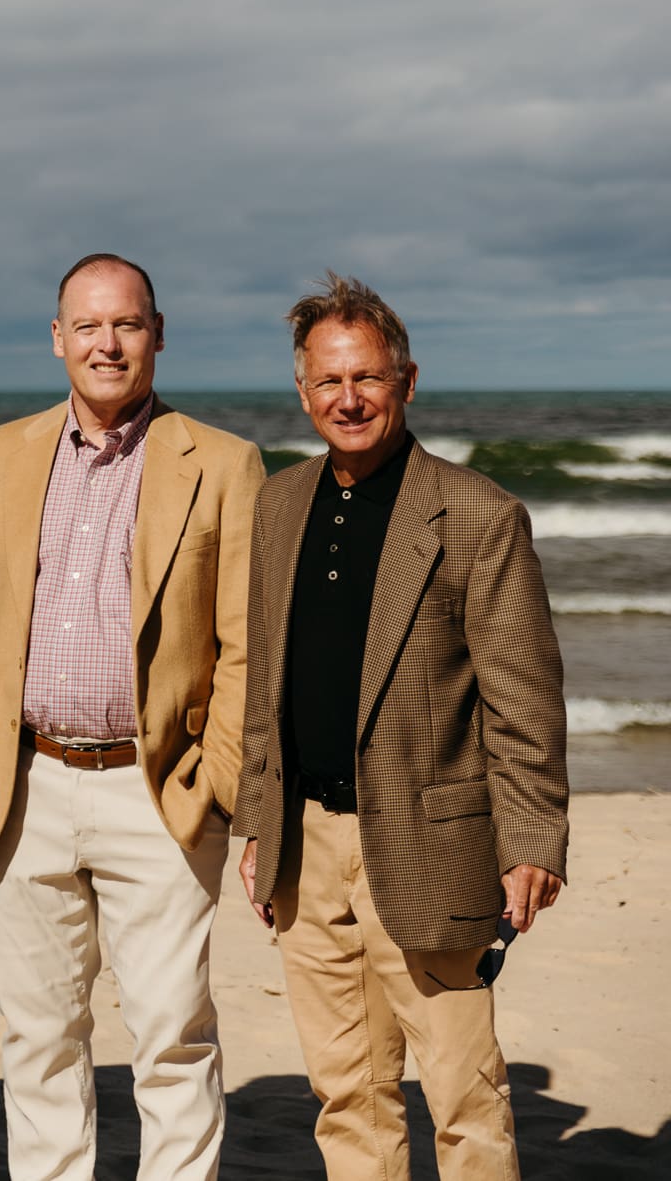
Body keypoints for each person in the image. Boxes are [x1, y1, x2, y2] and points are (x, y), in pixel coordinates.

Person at [232, 274, 567, 1179]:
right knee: (347, 1094)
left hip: (431, 843)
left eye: (368, 378)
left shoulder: (479, 514)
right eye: (328, 382)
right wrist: (258, 821)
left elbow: (524, 700)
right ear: (303, 393)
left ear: (406, 382)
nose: (348, 399)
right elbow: (268, 678)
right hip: (306, 840)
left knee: (463, 1097)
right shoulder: (279, 503)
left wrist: (533, 837)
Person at [0, 253, 264, 1180]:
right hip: (23, 785)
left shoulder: (225, 462)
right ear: (57, 339)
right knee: (39, 1039)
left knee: (171, 1038)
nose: (107, 343)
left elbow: (245, 643)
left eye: (126, 324)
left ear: (157, 333)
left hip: (157, 789)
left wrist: (214, 783)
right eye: (86, 325)